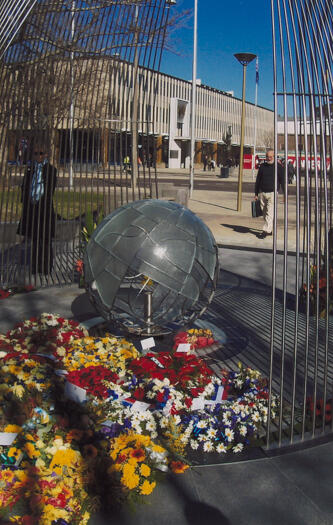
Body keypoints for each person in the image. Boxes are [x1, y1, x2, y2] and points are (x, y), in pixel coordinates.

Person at [17, 144, 57, 275]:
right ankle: (34, 266)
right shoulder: (30, 169)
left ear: (45, 154)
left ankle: (45, 267)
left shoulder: (51, 170)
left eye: (41, 153)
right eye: (35, 153)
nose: (38, 156)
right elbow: (25, 186)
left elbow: (50, 189)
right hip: (32, 208)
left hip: (44, 208)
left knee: (45, 240)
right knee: (34, 240)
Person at [254, 149, 284, 239]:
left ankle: (266, 230)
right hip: (263, 192)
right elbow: (258, 180)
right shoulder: (262, 166)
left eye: (271, 156)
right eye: (267, 156)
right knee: (264, 211)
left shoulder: (279, 167)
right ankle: (269, 229)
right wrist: (256, 193)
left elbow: (283, 181)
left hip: (273, 193)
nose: (269, 158)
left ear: (274, 157)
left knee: (270, 212)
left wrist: (285, 194)